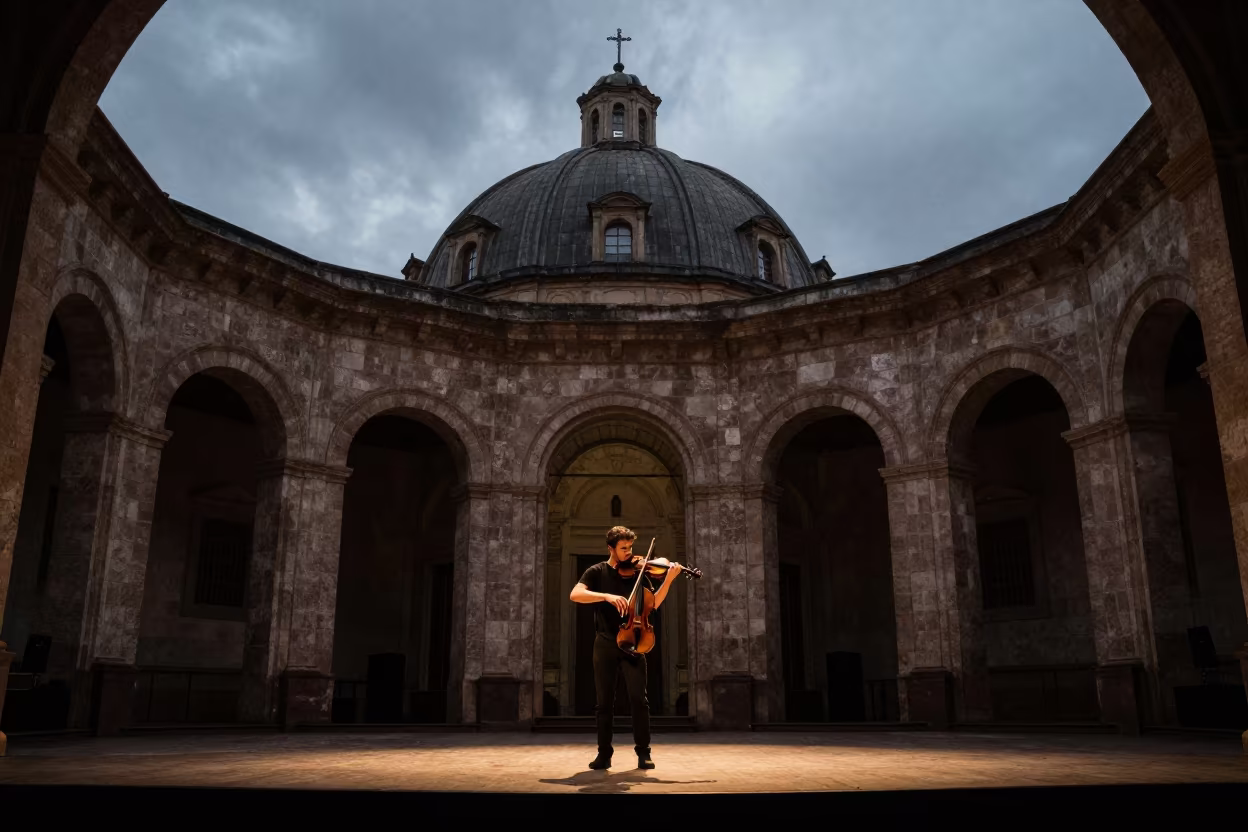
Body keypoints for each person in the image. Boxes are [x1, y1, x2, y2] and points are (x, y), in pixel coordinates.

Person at [569, 525, 683, 771]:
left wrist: (670, 579)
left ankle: (644, 752)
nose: (629, 553)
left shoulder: (638, 573)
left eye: (630, 548)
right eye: (623, 549)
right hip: (606, 643)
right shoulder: (596, 571)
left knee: (638, 700)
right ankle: (604, 754)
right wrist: (606, 597)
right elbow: (575, 594)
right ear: (611, 548)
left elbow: (653, 604)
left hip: (634, 641)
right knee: (603, 703)